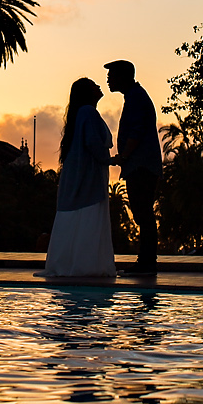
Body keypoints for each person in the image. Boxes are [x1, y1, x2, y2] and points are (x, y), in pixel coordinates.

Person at [45, 78, 115, 278]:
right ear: (87, 92)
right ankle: (86, 265)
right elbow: (93, 142)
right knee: (88, 217)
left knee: (78, 218)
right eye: (94, 85)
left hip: (80, 174)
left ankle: (71, 263)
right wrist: (110, 159)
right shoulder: (88, 112)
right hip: (87, 177)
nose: (99, 86)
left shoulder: (82, 114)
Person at [105, 59, 162, 274]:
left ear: (123, 77)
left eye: (112, 75)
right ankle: (146, 261)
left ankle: (147, 262)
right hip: (139, 166)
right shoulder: (134, 97)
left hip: (141, 167)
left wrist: (124, 156)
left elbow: (137, 131)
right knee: (142, 214)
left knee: (143, 214)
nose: (108, 80)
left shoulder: (136, 98)